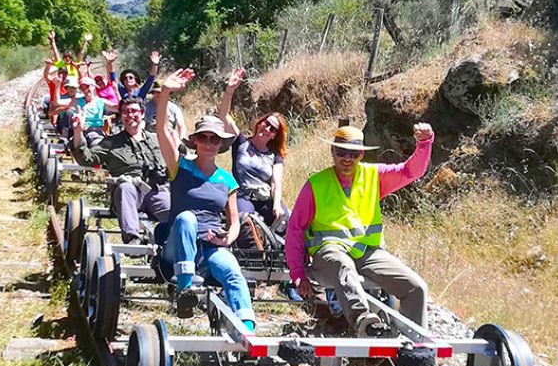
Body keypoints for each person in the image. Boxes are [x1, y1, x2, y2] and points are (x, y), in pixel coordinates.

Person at [285, 123, 435, 334]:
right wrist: (298, 273)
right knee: (342, 264)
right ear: (332, 151)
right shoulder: (316, 184)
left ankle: (416, 343)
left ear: (361, 155)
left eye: (354, 153)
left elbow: (411, 172)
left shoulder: (374, 176)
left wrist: (424, 144)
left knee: (416, 287)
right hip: (329, 255)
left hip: (368, 253)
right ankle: (364, 322)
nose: (347, 158)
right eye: (341, 152)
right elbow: (295, 229)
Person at [155, 69, 257, 331]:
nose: (209, 143)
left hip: (210, 247)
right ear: (195, 141)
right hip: (176, 247)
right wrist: (165, 93)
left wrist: (228, 238)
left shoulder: (227, 180)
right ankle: (185, 290)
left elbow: (234, 222)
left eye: (214, 139)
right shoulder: (180, 166)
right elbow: (161, 131)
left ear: (220, 144)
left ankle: (248, 332)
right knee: (187, 218)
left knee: (232, 271)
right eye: (203, 138)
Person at [72, 96, 171, 244]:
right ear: (121, 115)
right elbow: (86, 158)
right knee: (125, 188)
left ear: (142, 113)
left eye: (134, 111)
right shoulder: (111, 143)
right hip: (128, 192)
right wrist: (78, 131)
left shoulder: (157, 140)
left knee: (176, 212)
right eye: (125, 111)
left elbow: (177, 159)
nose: (130, 115)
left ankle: (172, 242)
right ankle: (132, 239)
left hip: (155, 191)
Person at [217, 69, 289, 227]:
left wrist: (277, 204)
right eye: (266, 123)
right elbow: (223, 116)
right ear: (260, 123)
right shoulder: (241, 142)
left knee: (287, 220)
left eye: (272, 129)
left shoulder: (275, 155)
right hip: (242, 197)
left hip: (265, 198)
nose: (267, 129)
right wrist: (230, 90)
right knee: (247, 221)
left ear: (274, 135)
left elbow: (276, 183)